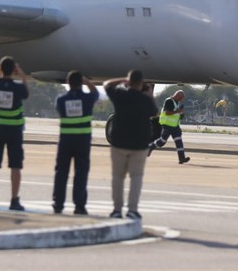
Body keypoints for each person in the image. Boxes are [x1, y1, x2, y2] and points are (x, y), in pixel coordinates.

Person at [102, 69, 158, 221]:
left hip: (119, 143)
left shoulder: (120, 95)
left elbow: (106, 85)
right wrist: (147, 92)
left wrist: (123, 80)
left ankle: (117, 210)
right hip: (139, 145)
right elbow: (154, 112)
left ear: (129, 82)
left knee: (117, 177)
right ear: (141, 83)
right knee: (136, 177)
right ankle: (132, 210)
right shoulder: (146, 101)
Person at [0, 56, 29, 211]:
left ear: (1, 69)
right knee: (15, 166)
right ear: (14, 70)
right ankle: (14, 200)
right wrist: (22, 75)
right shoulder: (18, 88)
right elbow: (26, 93)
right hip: (14, 131)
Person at [52, 71, 98, 215]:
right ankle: (79, 205)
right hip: (82, 142)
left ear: (68, 83)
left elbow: (58, 109)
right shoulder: (87, 99)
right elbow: (95, 92)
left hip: (65, 141)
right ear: (80, 83)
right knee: (81, 174)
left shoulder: (61, 100)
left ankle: (58, 204)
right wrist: (87, 81)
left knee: (61, 173)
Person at [148, 89, 190, 164]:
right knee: (162, 141)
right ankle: (150, 147)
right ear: (177, 95)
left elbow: (177, 115)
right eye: (181, 98)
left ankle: (182, 158)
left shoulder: (177, 103)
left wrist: (181, 113)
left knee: (179, 141)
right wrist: (178, 111)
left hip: (175, 126)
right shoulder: (169, 101)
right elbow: (167, 113)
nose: (181, 100)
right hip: (167, 125)